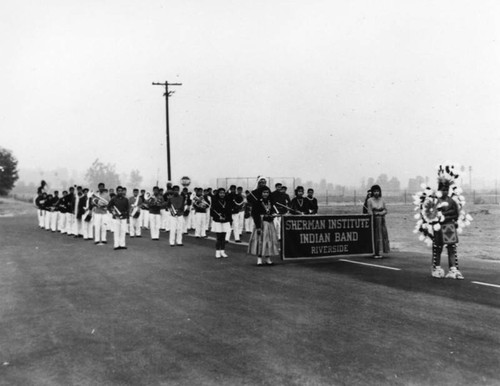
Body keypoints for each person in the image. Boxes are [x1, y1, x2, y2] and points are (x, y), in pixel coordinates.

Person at [431, 178, 463, 279]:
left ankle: (453, 269)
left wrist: (446, 216)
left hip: (449, 227)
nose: (445, 191)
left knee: (451, 248)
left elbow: (456, 214)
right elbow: (433, 214)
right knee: (438, 247)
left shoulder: (452, 201)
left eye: (446, 189)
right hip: (439, 228)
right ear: (439, 190)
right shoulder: (436, 201)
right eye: (442, 189)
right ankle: (437, 268)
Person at [248, 187, 279, 266]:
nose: (265, 194)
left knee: (269, 241)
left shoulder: (270, 202)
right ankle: (259, 259)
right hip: (261, 223)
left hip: (269, 223)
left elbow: (271, 211)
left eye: (267, 192)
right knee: (260, 241)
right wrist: (258, 226)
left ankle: (268, 259)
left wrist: (273, 215)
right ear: (261, 193)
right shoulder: (257, 202)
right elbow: (255, 214)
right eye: (264, 192)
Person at [367, 185, 390, 258]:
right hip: (374, 220)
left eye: (377, 191)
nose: (376, 193)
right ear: (372, 192)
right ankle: (375, 252)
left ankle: (381, 251)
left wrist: (380, 213)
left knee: (382, 234)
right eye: (375, 191)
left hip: (382, 219)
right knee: (375, 235)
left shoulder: (382, 200)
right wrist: (373, 216)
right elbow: (369, 210)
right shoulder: (370, 200)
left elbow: (386, 210)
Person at [210, 188, 232, 258]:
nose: (222, 194)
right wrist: (218, 216)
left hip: (225, 221)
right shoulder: (215, 201)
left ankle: (222, 251)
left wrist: (226, 217)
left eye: (223, 193)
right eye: (220, 193)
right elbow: (212, 212)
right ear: (218, 194)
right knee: (219, 237)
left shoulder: (227, 201)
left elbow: (229, 211)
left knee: (224, 237)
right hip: (218, 221)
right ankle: (217, 252)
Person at [108, 186, 130, 250]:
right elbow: (109, 207)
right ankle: (116, 245)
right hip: (116, 218)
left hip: (123, 217)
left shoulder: (126, 199)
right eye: (119, 191)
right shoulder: (113, 199)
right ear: (116, 191)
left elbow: (127, 209)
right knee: (116, 231)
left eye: (121, 191)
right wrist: (113, 213)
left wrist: (127, 217)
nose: (120, 192)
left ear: (122, 191)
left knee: (123, 231)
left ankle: (122, 245)